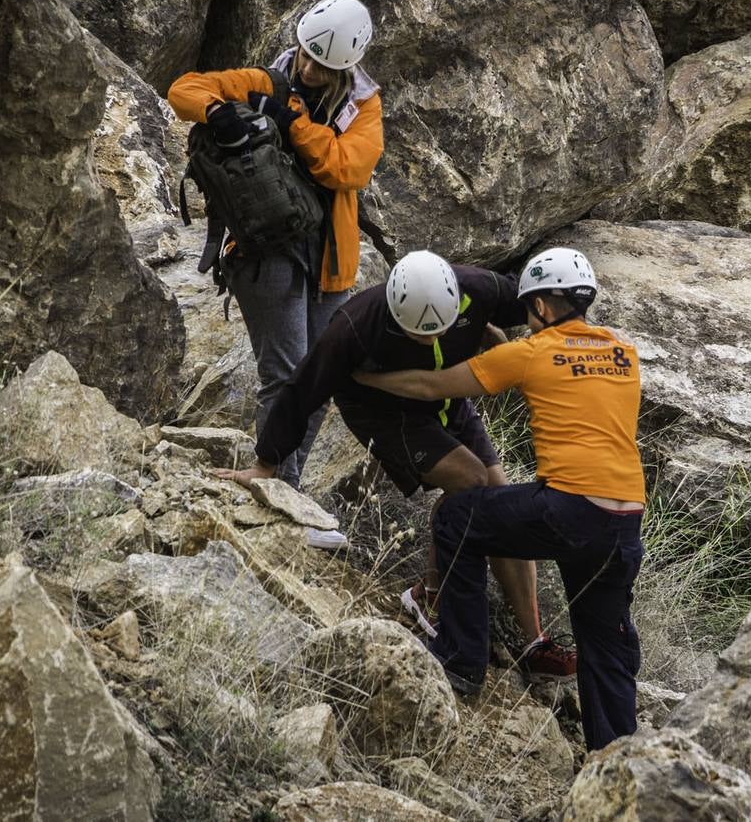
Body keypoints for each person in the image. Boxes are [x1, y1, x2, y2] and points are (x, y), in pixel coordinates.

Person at [216, 250, 577, 682]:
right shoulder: (354, 326)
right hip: (383, 410)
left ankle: (534, 642)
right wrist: (266, 463)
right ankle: (428, 594)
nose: (429, 340)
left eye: (439, 330)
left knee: (498, 495)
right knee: (470, 480)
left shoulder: (479, 289)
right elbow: (301, 390)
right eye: (417, 335)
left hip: (448, 397)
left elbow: (537, 303)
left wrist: (531, 341)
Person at [353, 248, 644, 751]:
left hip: (568, 509)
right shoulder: (624, 353)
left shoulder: (532, 352)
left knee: (458, 518)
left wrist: (361, 377)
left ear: (545, 308)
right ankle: (615, 761)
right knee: (605, 645)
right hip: (624, 524)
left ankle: (461, 661)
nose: (529, 320)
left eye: (530, 308)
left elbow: (430, 384)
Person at [168, 0, 383, 487]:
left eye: (321, 65)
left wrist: (294, 124)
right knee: (286, 374)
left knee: (319, 381)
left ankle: (286, 484)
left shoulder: (365, 106)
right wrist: (217, 111)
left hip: (330, 260)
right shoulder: (268, 80)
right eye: (304, 53)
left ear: (346, 67)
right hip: (265, 252)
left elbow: (347, 167)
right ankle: (271, 485)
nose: (307, 68)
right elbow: (184, 89)